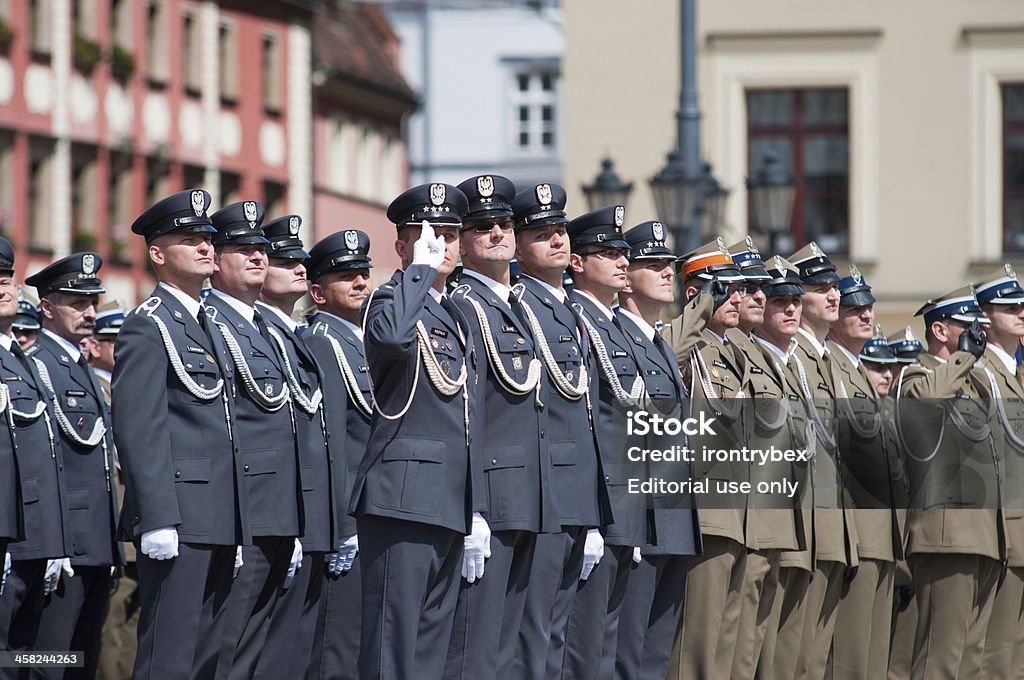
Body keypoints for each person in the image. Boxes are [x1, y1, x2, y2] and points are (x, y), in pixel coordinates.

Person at [112, 189, 244, 680]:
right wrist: (157, 518)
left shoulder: (208, 323)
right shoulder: (148, 326)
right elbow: (139, 429)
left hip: (220, 514)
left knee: (209, 652)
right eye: (191, 240)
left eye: (208, 238)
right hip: (181, 517)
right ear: (158, 254)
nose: (206, 248)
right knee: (169, 653)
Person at [354, 183, 478, 680]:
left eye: (449, 235)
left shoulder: (455, 314)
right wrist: (420, 273)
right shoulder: (390, 299)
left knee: (429, 652)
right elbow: (391, 340)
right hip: (400, 498)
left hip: (448, 498)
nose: (442, 244)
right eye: (428, 235)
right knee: (393, 648)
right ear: (402, 247)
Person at [443, 175, 560, 680]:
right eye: (482, 226)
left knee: (515, 648)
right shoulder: (464, 304)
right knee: (476, 650)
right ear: (462, 241)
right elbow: (466, 413)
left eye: (504, 224)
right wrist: (473, 509)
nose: (497, 233)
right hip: (493, 498)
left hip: (529, 496)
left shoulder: (518, 305)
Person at [506, 182, 611, 680]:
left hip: (576, 493)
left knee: (562, 639)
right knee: (533, 636)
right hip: (543, 492)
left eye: (561, 231)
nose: (557, 241)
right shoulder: (520, 305)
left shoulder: (571, 308)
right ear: (518, 245)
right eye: (542, 233)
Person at [203, 200, 304, 680]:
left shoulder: (262, 326)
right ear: (216, 260)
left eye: (261, 248)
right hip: (242, 513)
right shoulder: (210, 323)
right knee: (222, 649)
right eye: (242, 249)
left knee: (252, 650)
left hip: (277, 510)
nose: (258, 256)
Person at [252, 214, 344, 679]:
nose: (299, 268)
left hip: (313, 517)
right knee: (270, 652)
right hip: (277, 518)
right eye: (284, 260)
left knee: (301, 651)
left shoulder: (296, 337)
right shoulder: (255, 335)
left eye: (301, 261)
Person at [26, 252, 121, 678]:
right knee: (48, 659)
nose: (89, 312)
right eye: (76, 303)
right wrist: (49, 540)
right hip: (64, 542)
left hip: (96, 540)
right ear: (46, 307)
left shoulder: (78, 365)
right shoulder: (39, 366)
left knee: (81, 659)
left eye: (92, 302)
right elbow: (41, 463)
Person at [897, 285, 999, 679]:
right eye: (968, 326)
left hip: (984, 535)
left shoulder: (977, 384)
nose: (979, 334)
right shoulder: (918, 374)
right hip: (946, 536)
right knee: (939, 660)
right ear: (940, 330)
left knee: (970, 662)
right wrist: (962, 359)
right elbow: (922, 406)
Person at [614, 220, 700, 680]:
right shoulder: (616, 338)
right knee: (627, 655)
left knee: (654, 657)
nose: (668, 272)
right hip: (641, 520)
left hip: (672, 519)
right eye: (653, 264)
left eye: (669, 264)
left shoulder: (658, 344)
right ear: (626, 277)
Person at [560, 204, 641, 679]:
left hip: (623, 502)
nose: (622, 261)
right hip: (596, 503)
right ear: (578, 263)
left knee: (606, 648)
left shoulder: (615, 326)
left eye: (623, 252)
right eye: (608, 252)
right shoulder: (577, 318)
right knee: (582, 649)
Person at [665, 237, 751, 680]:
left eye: (738, 287)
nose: (737, 296)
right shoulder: (685, 342)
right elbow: (666, 357)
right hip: (707, 513)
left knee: (727, 648)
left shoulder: (733, 352)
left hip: (739, 513)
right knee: (696, 648)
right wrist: (699, 308)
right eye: (725, 287)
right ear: (697, 293)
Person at [723, 243, 807, 680]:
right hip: (739, 513)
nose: (757, 297)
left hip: (773, 512)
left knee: (757, 642)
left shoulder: (765, 356)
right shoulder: (723, 347)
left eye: (763, 289)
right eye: (749, 287)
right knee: (726, 641)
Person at [305, 228, 375, 680]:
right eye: (346, 276)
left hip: (372, 515)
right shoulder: (323, 341)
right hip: (349, 521)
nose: (360, 283)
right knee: (337, 650)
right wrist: (342, 526)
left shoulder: (362, 338)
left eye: (364, 273)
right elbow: (327, 442)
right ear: (318, 292)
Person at [827, 265, 903, 680]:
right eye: (854, 308)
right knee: (849, 662)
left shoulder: (855, 371)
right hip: (856, 533)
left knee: (873, 663)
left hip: (880, 536)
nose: (865, 315)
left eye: (869, 308)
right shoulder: (832, 368)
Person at [973, 265, 1024, 679]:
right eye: (1009, 306)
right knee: (996, 651)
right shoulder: (980, 370)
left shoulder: (1012, 371)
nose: (1021, 312)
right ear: (984, 317)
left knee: (1016, 655)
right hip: (1005, 524)